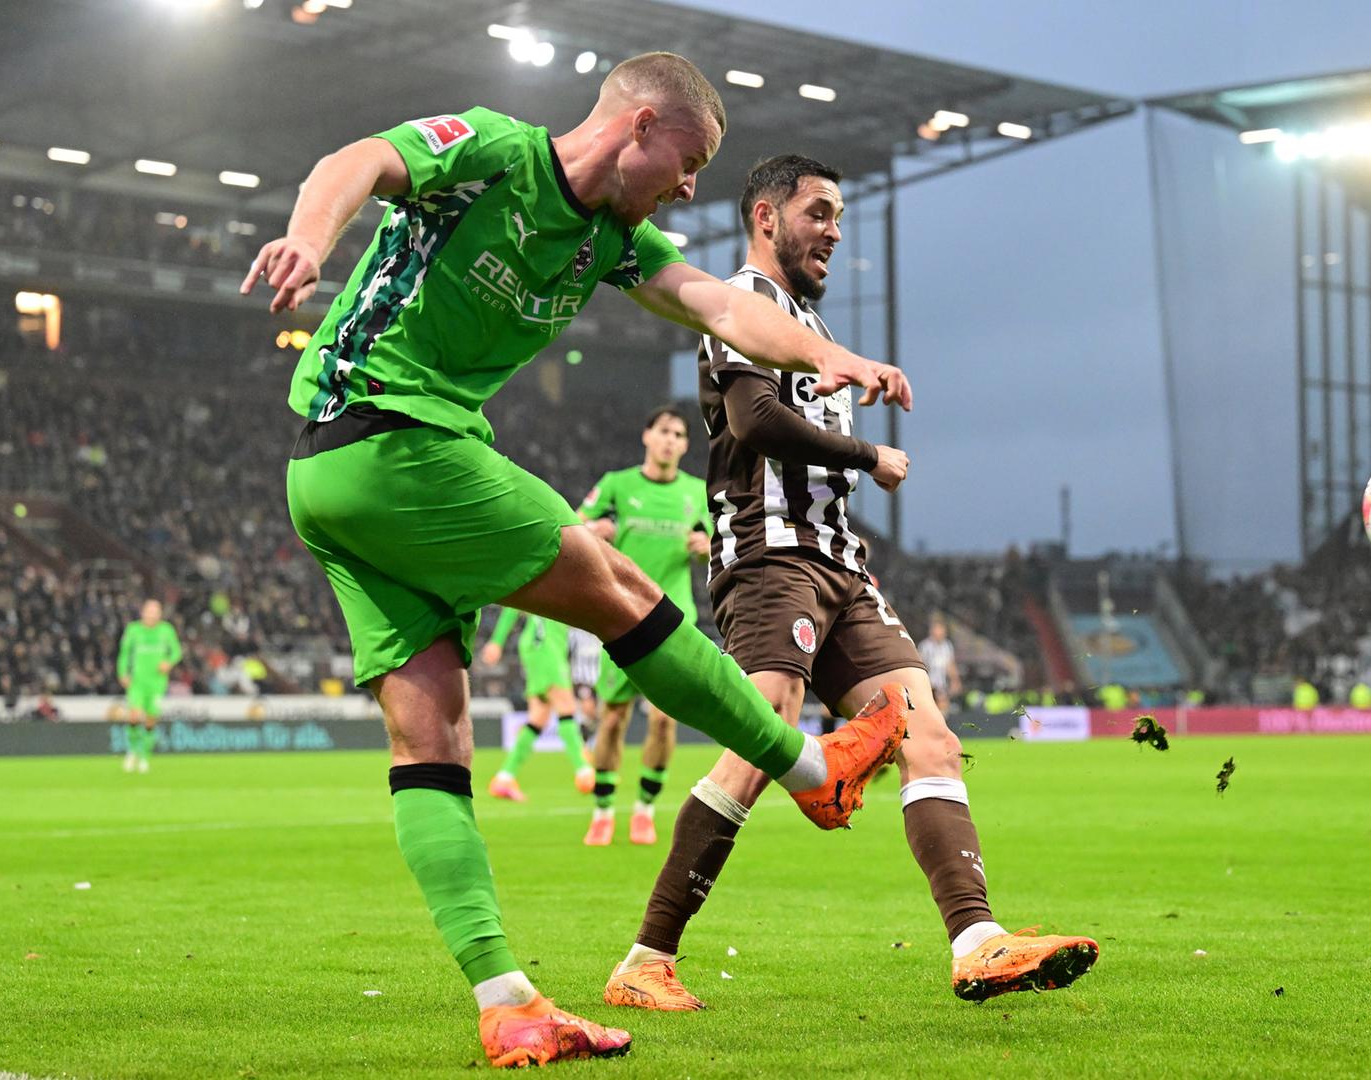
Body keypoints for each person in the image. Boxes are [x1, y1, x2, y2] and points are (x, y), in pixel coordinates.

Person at [243, 53, 912, 1067]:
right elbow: (358, 160)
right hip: (393, 439)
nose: (689, 188)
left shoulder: (612, 241)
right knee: (625, 590)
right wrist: (305, 237)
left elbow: (721, 305)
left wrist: (825, 356)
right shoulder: (493, 152)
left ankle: (507, 1001)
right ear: (639, 125)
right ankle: (812, 769)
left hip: (332, 480)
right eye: (685, 163)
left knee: (435, 745)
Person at [602, 155, 1097, 1015]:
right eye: (818, 213)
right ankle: (646, 958)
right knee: (765, 740)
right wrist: (871, 454)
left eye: (839, 215)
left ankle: (979, 942)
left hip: (841, 562)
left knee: (928, 733)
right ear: (766, 216)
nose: (834, 230)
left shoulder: (812, 330)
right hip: (770, 557)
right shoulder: (740, 306)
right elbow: (754, 421)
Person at [576, 406, 711, 847]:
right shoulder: (618, 484)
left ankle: (645, 810)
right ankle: (602, 812)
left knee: (663, 720)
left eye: (678, 434)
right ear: (647, 436)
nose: (670, 440)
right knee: (612, 720)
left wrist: (709, 546)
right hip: (621, 615)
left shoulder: (697, 493)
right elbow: (574, 528)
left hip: (674, 619)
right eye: (663, 431)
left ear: (686, 445)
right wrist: (594, 530)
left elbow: (724, 545)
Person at [478, 608, 592, 799]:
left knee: (538, 719)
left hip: (541, 648)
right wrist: (496, 642)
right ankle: (584, 772)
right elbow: (512, 607)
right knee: (567, 708)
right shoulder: (554, 582)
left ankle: (504, 778)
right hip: (545, 649)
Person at [117, 599, 180, 773]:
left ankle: (144, 756)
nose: (152, 615)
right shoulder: (133, 630)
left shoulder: (166, 630)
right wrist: (122, 673)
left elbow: (176, 651)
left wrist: (168, 662)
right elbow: (124, 653)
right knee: (134, 716)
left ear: (159, 614)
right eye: (149, 611)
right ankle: (133, 751)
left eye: (155, 611)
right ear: (143, 612)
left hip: (157, 683)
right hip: (137, 682)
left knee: (151, 719)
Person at [917, 614, 961, 713]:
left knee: (943, 708)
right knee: (929, 709)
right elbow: (920, 664)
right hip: (929, 685)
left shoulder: (947, 646)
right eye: (936, 629)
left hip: (941, 684)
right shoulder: (925, 646)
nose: (938, 632)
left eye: (941, 629)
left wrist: (955, 680)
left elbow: (950, 664)